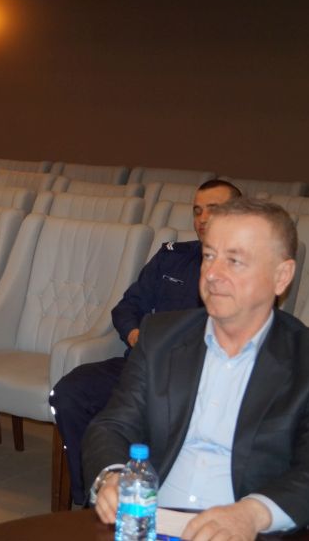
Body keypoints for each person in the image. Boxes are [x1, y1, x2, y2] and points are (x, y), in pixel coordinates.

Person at [84, 198, 309, 539]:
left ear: (281, 276)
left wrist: (253, 514)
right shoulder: (161, 337)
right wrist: (113, 476)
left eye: (234, 260)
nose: (213, 274)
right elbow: (113, 425)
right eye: (209, 255)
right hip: (150, 521)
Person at [50, 179, 240, 505]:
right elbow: (127, 307)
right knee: (70, 392)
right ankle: (93, 498)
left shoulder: (244, 273)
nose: (203, 218)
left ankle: (159, 499)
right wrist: (134, 334)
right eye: (197, 211)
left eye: (214, 209)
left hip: (196, 380)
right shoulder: (172, 258)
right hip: (142, 366)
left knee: (159, 419)